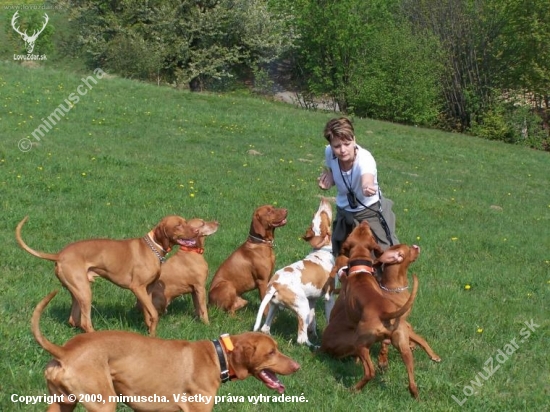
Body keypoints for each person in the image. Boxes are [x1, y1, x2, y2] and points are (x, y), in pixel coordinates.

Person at [317, 117, 399, 257]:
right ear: (331, 145)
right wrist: (330, 179)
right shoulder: (329, 153)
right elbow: (333, 171)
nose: (342, 150)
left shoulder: (365, 159)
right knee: (344, 257)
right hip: (344, 212)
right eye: (337, 146)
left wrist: (367, 187)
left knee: (382, 257)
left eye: (347, 144)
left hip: (369, 212)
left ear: (354, 139)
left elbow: (367, 178)